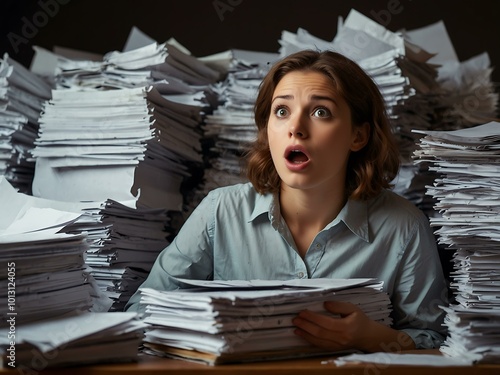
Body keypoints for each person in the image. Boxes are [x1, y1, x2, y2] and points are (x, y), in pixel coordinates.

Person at [126, 49, 448, 352]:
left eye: (321, 112)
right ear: (268, 128)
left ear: (358, 136)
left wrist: (373, 337)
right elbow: (142, 311)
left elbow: (434, 338)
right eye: (282, 111)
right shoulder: (220, 212)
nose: (296, 127)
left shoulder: (404, 227)